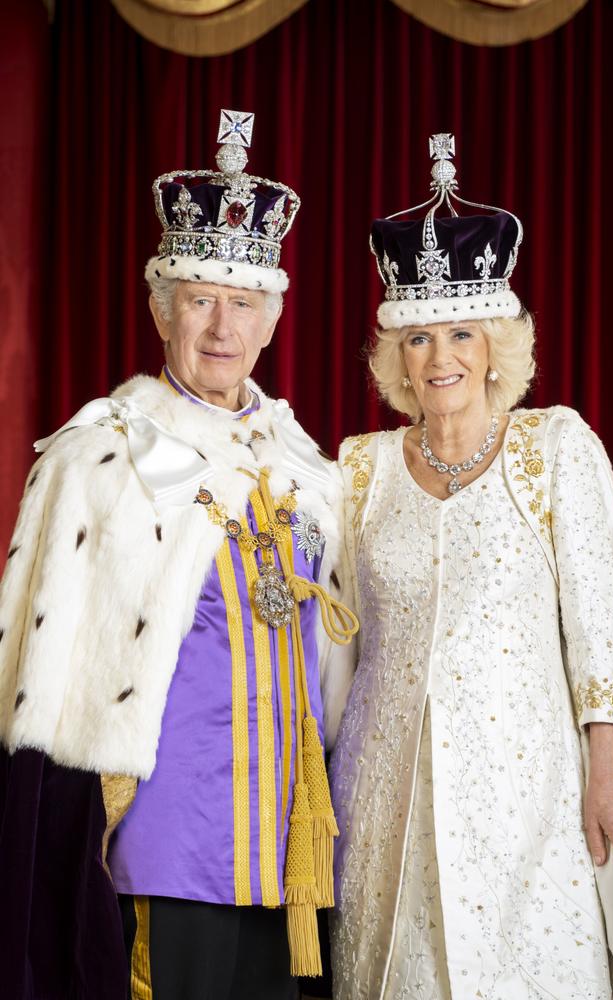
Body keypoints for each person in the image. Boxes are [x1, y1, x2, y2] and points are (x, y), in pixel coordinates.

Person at [0, 109, 356, 1000]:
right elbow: (41, 681)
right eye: (199, 297)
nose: (221, 325)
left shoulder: (309, 469)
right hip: (163, 836)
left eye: (242, 303)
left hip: (288, 839)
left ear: (272, 320)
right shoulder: (104, 454)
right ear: (162, 309)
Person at [328, 134, 613, 1000]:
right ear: (395, 354)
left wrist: (607, 781)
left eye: (462, 332)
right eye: (420, 337)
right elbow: (332, 650)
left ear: (496, 343)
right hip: (384, 801)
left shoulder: (555, 449)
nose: (442, 358)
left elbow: (597, 634)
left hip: (528, 802)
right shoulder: (357, 470)